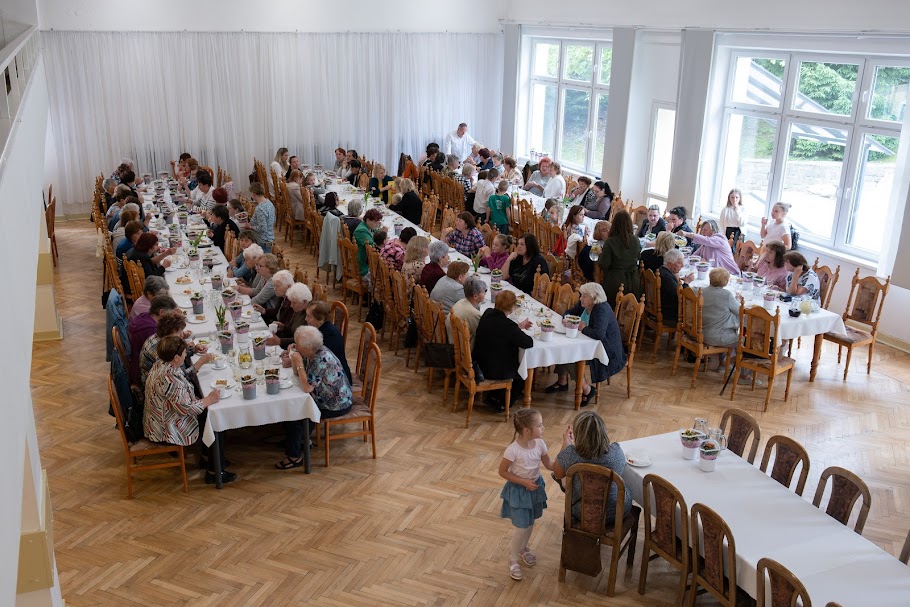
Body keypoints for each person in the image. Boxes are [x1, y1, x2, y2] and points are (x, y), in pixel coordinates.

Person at [143, 336, 233, 485]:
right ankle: (215, 471)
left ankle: (209, 458)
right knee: (214, 421)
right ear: (176, 357)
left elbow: (183, 376)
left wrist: (200, 363)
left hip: (160, 417)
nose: (186, 356)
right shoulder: (169, 380)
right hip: (166, 428)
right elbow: (188, 409)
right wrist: (209, 399)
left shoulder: (162, 364)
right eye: (184, 353)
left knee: (207, 414)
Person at [280, 326, 353, 469]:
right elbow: (297, 374)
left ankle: (295, 456)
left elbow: (307, 387)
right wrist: (295, 358)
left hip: (336, 404)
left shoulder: (321, 359)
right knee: (295, 407)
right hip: (327, 396)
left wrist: (298, 363)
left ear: (307, 347)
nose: (296, 347)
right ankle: (301, 440)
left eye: (298, 345)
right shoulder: (314, 351)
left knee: (295, 414)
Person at [547, 283, 627, 405]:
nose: (580, 298)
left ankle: (587, 389)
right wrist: (566, 319)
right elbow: (569, 312)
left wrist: (583, 328)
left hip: (606, 349)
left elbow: (599, 334)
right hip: (589, 342)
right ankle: (562, 381)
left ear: (594, 297)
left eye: (584, 296)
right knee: (563, 347)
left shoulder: (601, 309)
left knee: (570, 354)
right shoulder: (584, 304)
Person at [498, 408, 552, 581]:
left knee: (529, 524)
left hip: (534, 488)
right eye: (540, 425)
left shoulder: (540, 444)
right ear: (527, 430)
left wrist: (566, 449)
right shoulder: (513, 450)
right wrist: (523, 482)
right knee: (521, 527)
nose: (543, 428)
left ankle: (523, 549)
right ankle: (513, 559)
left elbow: (549, 464)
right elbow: (502, 472)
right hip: (520, 491)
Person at [553, 411, 632, 527]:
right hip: (617, 513)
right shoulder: (616, 452)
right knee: (626, 485)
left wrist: (566, 443)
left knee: (566, 478)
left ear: (579, 435)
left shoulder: (570, 455)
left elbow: (557, 474)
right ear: (603, 432)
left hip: (582, 512)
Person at [474, 291, 534, 409]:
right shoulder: (508, 325)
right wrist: (517, 329)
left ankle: (495, 395)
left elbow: (501, 331)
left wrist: (518, 327)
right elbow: (528, 342)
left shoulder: (488, 313)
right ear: (512, 307)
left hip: (479, 362)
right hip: (492, 370)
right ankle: (500, 402)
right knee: (521, 376)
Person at [138, 313, 214, 388]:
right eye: (178, 332)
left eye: (181, 330)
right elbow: (182, 378)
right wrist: (200, 362)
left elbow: (176, 355)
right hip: (160, 389)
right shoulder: (160, 350)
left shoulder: (162, 339)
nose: (182, 335)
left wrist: (193, 350)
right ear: (168, 332)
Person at [128, 295, 179, 384]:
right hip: (148, 378)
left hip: (142, 366)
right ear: (162, 312)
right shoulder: (151, 330)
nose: (172, 317)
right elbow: (168, 358)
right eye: (172, 314)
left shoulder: (145, 317)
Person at [701, 268, 742, 371]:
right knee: (745, 341)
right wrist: (739, 301)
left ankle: (722, 364)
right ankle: (744, 373)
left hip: (702, 333)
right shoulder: (726, 295)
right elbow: (741, 311)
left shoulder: (702, 291)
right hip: (718, 337)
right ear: (725, 281)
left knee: (723, 325)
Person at [598, 210, 642, 303]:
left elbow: (604, 264)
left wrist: (600, 255)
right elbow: (638, 257)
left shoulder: (610, 241)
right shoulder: (635, 240)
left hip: (615, 282)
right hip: (633, 282)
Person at [305, 301, 352, 384]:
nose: (306, 319)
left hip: (338, 379)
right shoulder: (318, 329)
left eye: (309, 316)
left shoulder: (331, 335)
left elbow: (320, 360)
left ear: (321, 318)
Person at [268, 282, 312, 349]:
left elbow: (302, 340)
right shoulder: (299, 309)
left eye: (294, 303)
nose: (291, 305)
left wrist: (280, 341)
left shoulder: (310, 316)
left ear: (305, 302)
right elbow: (290, 328)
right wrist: (282, 326)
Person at [448, 276, 487, 348]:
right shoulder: (474, 314)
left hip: (451, 342)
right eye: (484, 291)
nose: (485, 294)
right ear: (475, 296)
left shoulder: (460, 301)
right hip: (463, 349)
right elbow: (483, 335)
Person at [659, 249, 693, 327]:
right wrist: (686, 283)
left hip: (664, 308)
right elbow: (681, 296)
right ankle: (691, 332)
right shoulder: (667, 278)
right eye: (679, 263)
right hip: (669, 314)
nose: (682, 265)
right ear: (670, 264)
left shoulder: (661, 270)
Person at [354, 208, 383, 277]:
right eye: (375, 222)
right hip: (365, 265)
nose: (377, 225)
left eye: (378, 222)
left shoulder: (368, 226)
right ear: (368, 220)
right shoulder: (361, 231)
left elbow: (376, 233)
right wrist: (383, 235)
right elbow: (373, 247)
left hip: (369, 260)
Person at [248, 183, 275, 253]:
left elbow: (262, 228)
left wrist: (251, 227)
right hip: (269, 238)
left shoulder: (260, 209)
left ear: (254, 193)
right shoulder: (269, 203)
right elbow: (273, 220)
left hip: (263, 241)